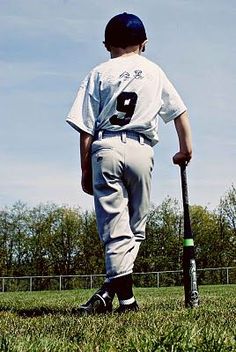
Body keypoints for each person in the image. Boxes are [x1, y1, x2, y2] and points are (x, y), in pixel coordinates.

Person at [66, 12, 192, 314]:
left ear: (107, 44)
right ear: (144, 44)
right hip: (142, 150)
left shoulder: (99, 72)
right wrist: (185, 149)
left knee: (114, 227)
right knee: (135, 228)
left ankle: (122, 298)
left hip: (106, 147)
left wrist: (85, 168)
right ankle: (118, 295)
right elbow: (179, 113)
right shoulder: (155, 71)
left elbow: (85, 127)